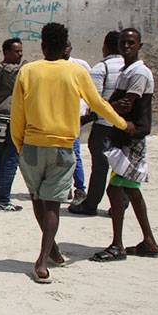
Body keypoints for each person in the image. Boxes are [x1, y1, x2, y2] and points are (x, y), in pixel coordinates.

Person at [10, 22, 132, 284]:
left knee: (37, 200)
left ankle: (49, 251)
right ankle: (43, 260)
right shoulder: (76, 72)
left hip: (31, 144)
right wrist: (123, 123)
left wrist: (20, 145)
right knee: (52, 204)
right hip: (63, 146)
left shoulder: (28, 71)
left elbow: (16, 115)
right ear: (65, 46)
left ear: (42, 45)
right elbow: (97, 104)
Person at [91, 28, 158, 263]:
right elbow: (113, 104)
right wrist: (111, 106)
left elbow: (124, 105)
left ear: (140, 45)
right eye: (123, 42)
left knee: (116, 190)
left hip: (132, 137)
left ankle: (118, 245)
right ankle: (148, 241)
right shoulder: (125, 72)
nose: (127, 46)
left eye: (131, 42)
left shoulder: (139, 73)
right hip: (124, 137)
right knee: (130, 189)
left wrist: (111, 106)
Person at [70, 31, 124, 216]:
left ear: (105, 46)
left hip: (103, 126)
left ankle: (91, 204)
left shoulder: (102, 68)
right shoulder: (132, 68)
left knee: (100, 167)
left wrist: (83, 120)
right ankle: (119, 204)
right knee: (120, 166)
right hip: (123, 126)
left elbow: (94, 101)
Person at [0, 38, 23, 211]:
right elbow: (23, 78)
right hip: (7, 118)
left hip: (0, 117)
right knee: (9, 158)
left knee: (0, 157)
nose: (20, 54)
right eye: (16, 51)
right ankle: (3, 199)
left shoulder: (2, 67)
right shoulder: (9, 70)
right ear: (6, 52)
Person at [65, 45, 92, 204]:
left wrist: (88, 109)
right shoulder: (51, 67)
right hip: (57, 116)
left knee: (74, 153)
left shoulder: (80, 65)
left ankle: (80, 188)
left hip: (75, 116)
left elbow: (90, 88)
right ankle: (64, 186)